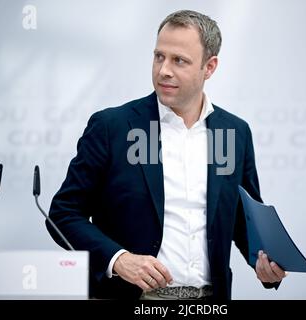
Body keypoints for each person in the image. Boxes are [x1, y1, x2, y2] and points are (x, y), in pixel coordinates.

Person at [47, 9, 286, 300]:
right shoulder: (112, 127)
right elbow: (63, 214)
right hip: (133, 298)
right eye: (159, 56)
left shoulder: (235, 132)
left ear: (209, 67)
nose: (164, 70)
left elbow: (244, 221)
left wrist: (266, 264)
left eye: (179, 61)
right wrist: (119, 259)